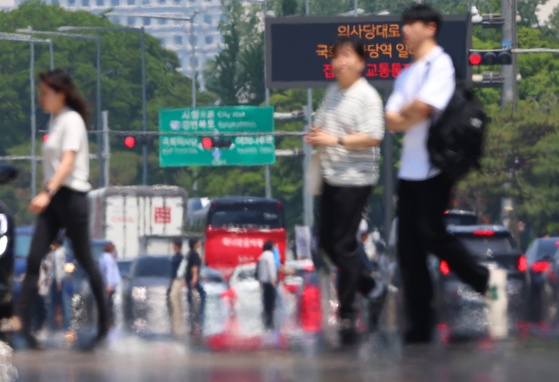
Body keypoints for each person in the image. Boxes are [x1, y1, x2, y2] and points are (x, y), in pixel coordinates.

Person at [385, 5, 507, 343]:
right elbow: (391, 119)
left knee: (432, 234)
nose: (404, 31)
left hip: (435, 167)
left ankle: (484, 280)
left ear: (430, 27)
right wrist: (409, 113)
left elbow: (423, 109)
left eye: (411, 25)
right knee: (408, 250)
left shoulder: (441, 64)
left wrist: (409, 112)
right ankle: (420, 325)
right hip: (409, 171)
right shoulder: (407, 74)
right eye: (403, 25)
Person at [11, 69, 108, 349]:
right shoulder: (54, 121)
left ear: (60, 94)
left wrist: (47, 192)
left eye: (45, 93)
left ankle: (104, 323)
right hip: (54, 199)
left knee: (85, 258)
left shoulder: (72, 120)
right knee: (33, 260)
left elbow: (67, 163)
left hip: (72, 197)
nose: (40, 98)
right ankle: (19, 320)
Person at [304, 35, 386, 345]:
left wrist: (334, 140)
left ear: (362, 63)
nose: (340, 62)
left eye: (347, 56)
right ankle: (371, 289)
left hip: (355, 178)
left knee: (342, 245)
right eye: (336, 56)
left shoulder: (367, 96)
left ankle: (348, 313)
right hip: (330, 177)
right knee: (325, 243)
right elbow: (324, 127)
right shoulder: (332, 92)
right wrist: (318, 135)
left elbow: (374, 136)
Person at [47, 236, 70, 330]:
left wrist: (58, 282)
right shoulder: (63, 252)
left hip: (57, 280)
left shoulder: (57, 254)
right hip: (60, 279)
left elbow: (57, 269)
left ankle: (55, 323)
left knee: (55, 302)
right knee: (61, 301)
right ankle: (64, 322)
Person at [98, 242, 121, 329]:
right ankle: (110, 322)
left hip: (106, 284)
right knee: (109, 304)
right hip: (109, 285)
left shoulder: (103, 257)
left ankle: (108, 321)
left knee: (108, 303)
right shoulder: (108, 258)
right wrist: (109, 285)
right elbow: (109, 272)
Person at [185, 237, 205, 338]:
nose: (199, 243)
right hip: (192, 279)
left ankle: (192, 322)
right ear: (194, 244)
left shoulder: (189, 254)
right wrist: (195, 278)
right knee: (202, 295)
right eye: (198, 242)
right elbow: (194, 267)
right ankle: (200, 318)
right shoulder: (194, 254)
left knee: (190, 299)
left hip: (189, 279)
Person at [256, 241, 278, 330]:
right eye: (273, 247)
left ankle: (266, 324)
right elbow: (271, 267)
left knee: (266, 305)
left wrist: (260, 280)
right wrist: (273, 279)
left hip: (264, 283)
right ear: (270, 247)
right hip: (270, 283)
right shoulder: (270, 255)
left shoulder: (261, 256)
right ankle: (270, 324)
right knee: (271, 304)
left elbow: (259, 270)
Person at [169, 239, 185, 337]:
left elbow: (182, 270)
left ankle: (178, 329)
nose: (173, 247)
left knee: (176, 304)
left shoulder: (180, 258)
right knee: (174, 304)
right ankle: (175, 327)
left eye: (174, 245)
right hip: (174, 281)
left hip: (178, 281)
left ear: (177, 246)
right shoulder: (175, 257)